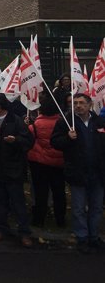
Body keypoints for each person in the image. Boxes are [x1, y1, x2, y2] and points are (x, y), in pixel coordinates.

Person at [0, 93, 34, 248]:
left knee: (18, 203)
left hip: (13, 169)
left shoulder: (15, 121)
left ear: (0, 105)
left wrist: (16, 141)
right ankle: (1, 229)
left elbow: (28, 141)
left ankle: (24, 232)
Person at [51, 93, 105, 254]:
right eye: (75, 103)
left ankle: (93, 236)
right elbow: (54, 142)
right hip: (78, 172)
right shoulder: (66, 123)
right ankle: (82, 237)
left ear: (90, 105)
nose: (78, 106)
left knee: (96, 207)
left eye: (82, 103)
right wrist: (67, 138)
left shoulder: (100, 122)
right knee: (79, 207)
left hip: (98, 173)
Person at [27, 97, 66, 228]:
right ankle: (60, 220)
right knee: (59, 192)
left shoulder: (35, 125)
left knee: (40, 192)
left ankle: (38, 219)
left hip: (39, 162)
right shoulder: (63, 123)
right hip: (58, 163)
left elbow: (30, 140)